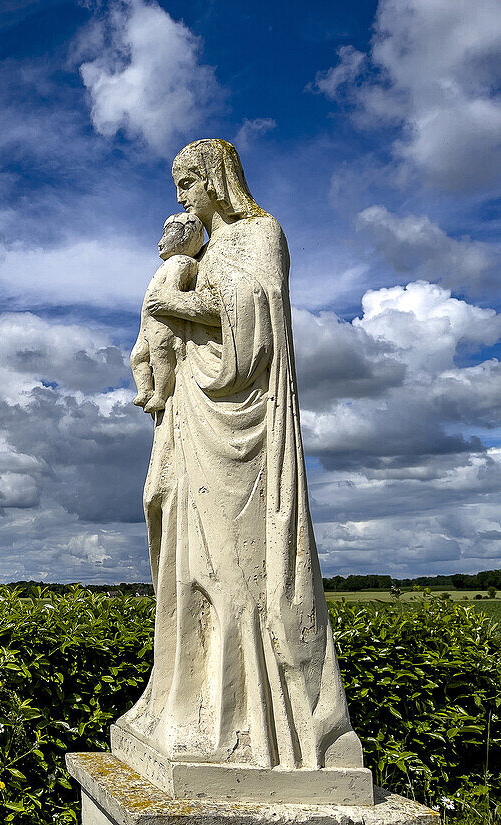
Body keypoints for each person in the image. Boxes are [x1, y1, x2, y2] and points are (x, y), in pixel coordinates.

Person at [117, 139, 365, 774]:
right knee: (184, 558)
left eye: (188, 183)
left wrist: (177, 305)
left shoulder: (259, 233)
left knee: (235, 568)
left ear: (215, 180)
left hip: (241, 424)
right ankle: (184, 700)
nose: (181, 197)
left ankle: (251, 723)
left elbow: (256, 322)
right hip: (189, 413)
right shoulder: (204, 246)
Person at [131, 211, 204, 413]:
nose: (161, 242)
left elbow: (172, 291)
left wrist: (164, 301)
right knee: (137, 356)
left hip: (163, 321)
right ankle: (145, 391)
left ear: (186, 236)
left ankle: (161, 395)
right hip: (147, 322)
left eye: (169, 233)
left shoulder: (182, 262)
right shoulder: (168, 264)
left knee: (160, 355)